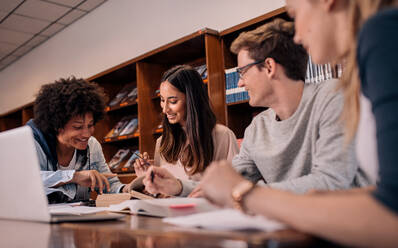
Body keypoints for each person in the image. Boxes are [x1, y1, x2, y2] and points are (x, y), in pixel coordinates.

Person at [199, 0, 398, 247]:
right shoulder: (368, 58)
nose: (298, 35)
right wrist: (183, 187)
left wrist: (247, 194)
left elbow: (388, 209)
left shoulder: (380, 35)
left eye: (294, 13)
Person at [191, 18, 369, 198]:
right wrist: (179, 186)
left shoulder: (333, 97)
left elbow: (331, 182)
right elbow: (226, 183)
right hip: (291, 221)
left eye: (242, 72)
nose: (240, 83)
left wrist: (248, 192)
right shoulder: (257, 127)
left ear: (269, 67)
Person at [133, 65, 239, 197]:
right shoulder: (162, 142)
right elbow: (160, 194)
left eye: (172, 101)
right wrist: (147, 177)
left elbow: (235, 187)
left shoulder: (222, 136)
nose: (165, 109)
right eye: (162, 100)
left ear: (192, 99)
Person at [27, 77, 129, 203]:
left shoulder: (92, 146)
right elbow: (27, 180)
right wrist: (74, 176)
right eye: (77, 127)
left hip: (81, 221)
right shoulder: (34, 144)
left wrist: (126, 189)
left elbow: (108, 183)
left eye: (90, 125)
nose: (86, 134)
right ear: (57, 125)